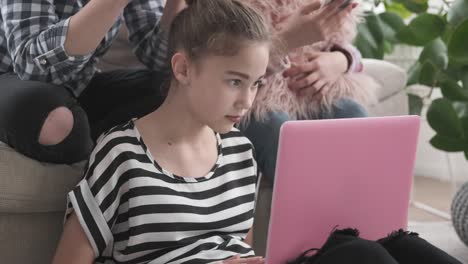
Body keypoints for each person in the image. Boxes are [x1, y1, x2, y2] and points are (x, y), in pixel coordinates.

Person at [52, 0, 271, 263]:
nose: (247, 101)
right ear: (183, 69)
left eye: (256, 83)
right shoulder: (122, 154)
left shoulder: (242, 152)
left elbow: (241, 250)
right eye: (235, 81)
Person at [0, 0, 187, 163]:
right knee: (58, 124)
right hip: (11, 77)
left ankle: (101, 142)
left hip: (79, 84)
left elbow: (157, 55)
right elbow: (32, 66)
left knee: (173, 93)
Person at [238, 0, 380, 183]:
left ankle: (358, 200)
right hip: (255, 101)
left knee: (352, 112)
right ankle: (307, 206)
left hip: (309, 98)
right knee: (277, 128)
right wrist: (286, 41)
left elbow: (351, 51)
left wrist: (340, 60)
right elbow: (230, 66)